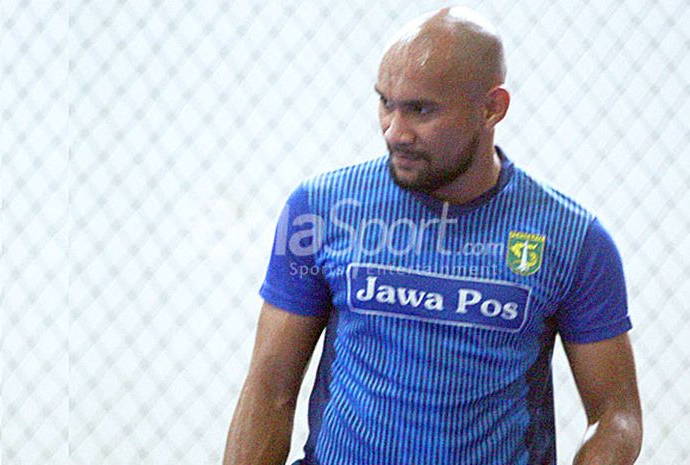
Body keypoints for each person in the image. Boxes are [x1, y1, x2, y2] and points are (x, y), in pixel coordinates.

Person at [223, 6, 642, 465]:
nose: (395, 131)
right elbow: (269, 391)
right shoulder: (320, 210)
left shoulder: (572, 239)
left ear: (491, 108)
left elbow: (615, 415)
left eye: (421, 110)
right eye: (386, 102)